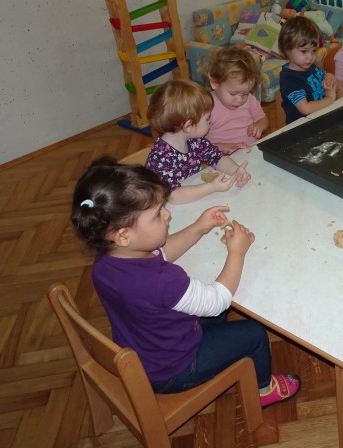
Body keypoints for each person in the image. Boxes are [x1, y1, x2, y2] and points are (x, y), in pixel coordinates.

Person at [70, 157, 300, 404]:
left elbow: (161, 254)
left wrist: (198, 227)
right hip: (174, 369)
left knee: (213, 315)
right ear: (123, 235)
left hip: (146, 348)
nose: (167, 214)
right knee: (253, 333)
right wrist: (237, 252)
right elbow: (217, 301)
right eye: (158, 214)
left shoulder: (106, 260)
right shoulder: (163, 280)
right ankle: (263, 390)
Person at [145, 80, 250, 204]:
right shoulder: (161, 158)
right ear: (188, 126)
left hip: (195, 200)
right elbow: (173, 196)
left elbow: (216, 157)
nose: (210, 121)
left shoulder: (195, 140)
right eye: (207, 118)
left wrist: (235, 170)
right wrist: (212, 187)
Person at [202, 46, 269, 154]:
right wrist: (221, 146)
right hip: (223, 158)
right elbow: (198, 144)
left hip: (251, 152)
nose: (240, 100)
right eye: (233, 93)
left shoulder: (250, 100)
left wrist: (259, 126)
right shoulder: (205, 106)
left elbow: (263, 119)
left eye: (245, 93)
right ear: (215, 83)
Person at [278, 17, 338, 124]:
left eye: (314, 51)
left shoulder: (308, 66)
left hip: (322, 117)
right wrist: (329, 98)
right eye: (304, 51)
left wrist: (329, 76)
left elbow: (324, 74)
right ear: (286, 50)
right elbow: (306, 109)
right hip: (303, 127)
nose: (310, 57)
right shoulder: (289, 79)